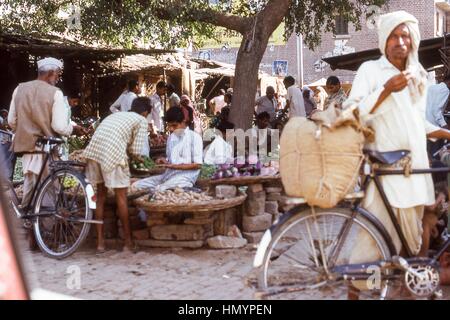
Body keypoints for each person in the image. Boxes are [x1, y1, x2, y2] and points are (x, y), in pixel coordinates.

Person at [343, 11, 450, 295]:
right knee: (373, 240)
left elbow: (417, 123)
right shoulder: (370, 71)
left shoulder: (420, 76)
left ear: (413, 40)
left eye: (405, 35)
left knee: (415, 239)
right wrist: (385, 91)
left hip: (416, 169)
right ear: (384, 40)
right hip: (388, 169)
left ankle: (407, 290)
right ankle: (354, 290)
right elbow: (351, 114)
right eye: (394, 35)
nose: (400, 41)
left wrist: (445, 133)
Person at [8, 57, 85, 208]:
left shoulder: (19, 89)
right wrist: (72, 129)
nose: (57, 78)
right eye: (57, 75)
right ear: (51, 73)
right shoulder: (55, 93)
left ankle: (30, 219)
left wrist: (24, 130)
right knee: (50, 188)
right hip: (45, 147)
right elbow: (59, 126)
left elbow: (11, 121)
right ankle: (46, 225)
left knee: (30, 184)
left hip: (27, 148)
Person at [83, 97, 151, 253]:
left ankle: (100, 243)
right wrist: (144, 163)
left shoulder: (115, 115)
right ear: (146, 112)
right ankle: (128, 242)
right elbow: (136, 151)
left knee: (100, 197)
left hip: (94, 153)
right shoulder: (141, 120)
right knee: (122, 197)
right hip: (113, 155)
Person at [132, 107, 203, 192]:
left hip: (184, 177)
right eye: (169, 126)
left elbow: (198, 165)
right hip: (169, 175)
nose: (171, 129)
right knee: (137, 185)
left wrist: (173, 166)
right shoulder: (171, 138)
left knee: (160, 189)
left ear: (184, 122)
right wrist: (164, 161)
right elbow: (171, 160)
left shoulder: (194, 137)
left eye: (174, 125)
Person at [426, 75, 450, 156]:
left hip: (426, 124)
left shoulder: (432, 87)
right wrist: (445, 125)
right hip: (434, 125)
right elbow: (436, 110)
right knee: (435, 152)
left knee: (427, 152)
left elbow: (430, 105)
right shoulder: (445, 90)